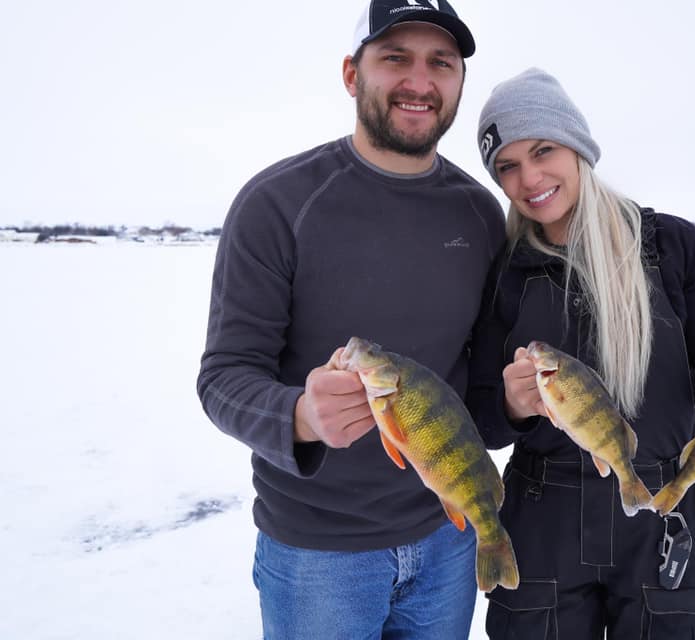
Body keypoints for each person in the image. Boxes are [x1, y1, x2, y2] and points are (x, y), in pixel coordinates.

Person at [196, 2, 506, 638]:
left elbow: (476, 387)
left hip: (448, 541)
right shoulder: (277, 203)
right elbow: (224, 376)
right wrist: (301, 416)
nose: (419, 82)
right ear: (351, 74)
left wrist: (520, 401)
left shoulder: (480, 215)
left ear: (458, 84)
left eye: (440, 63)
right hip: (317, 558)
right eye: (395, 58)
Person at [466, 68, 695, 639]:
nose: (529, 178)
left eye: (543, 150)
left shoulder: (674, 247)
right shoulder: (504, 273)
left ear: (578, 147)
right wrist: (509, 402)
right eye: (507, 165)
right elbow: (481, 418)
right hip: (543, 516)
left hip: (668, 508)